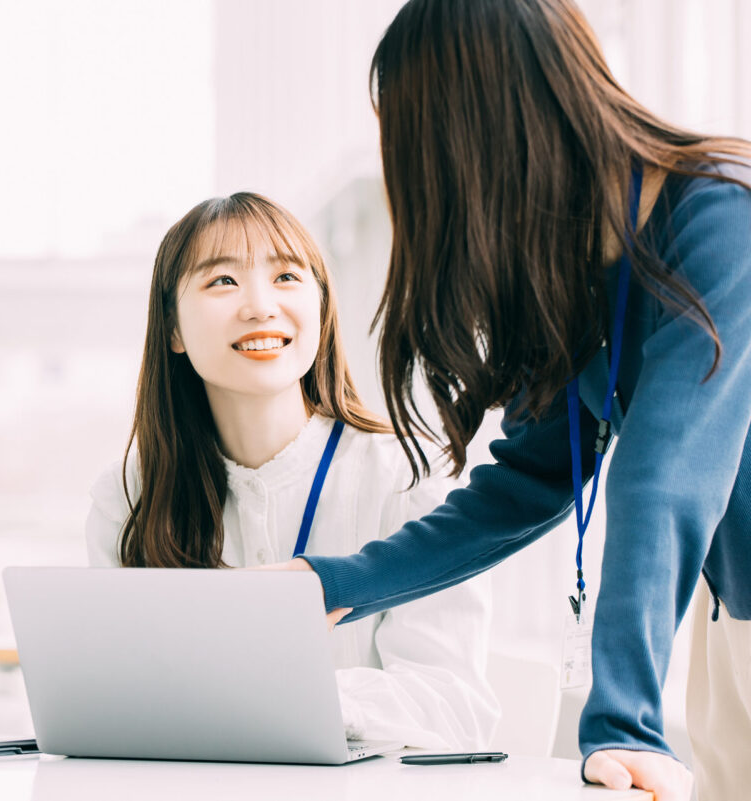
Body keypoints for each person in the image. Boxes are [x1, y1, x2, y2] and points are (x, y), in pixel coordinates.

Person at [264, 2, 751, 799]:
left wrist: (623, 722)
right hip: (734, 620)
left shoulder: (723, 214)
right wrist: (336, 582)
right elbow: (524, 484)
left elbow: (667, 474)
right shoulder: (581, 272)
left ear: (484, 129)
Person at [85, 192, 500, 750]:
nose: (260, 306)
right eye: (222, 282)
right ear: (173, 330)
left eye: (286, 277)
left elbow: (453, 706)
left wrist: (287, 701)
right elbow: (114, 697)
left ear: (322, 311)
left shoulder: (409, 477)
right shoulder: (129, 495)